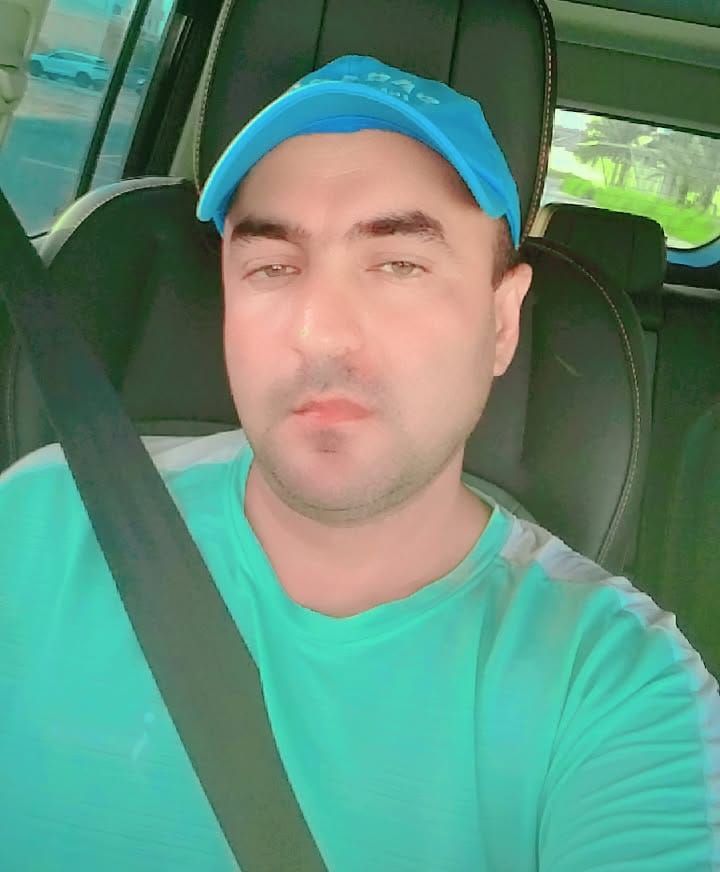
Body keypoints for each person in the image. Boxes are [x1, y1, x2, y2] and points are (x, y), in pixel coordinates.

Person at [1, 54, 718, 871]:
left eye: (398, 265)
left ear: (502, 321)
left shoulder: (615, 682)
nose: (321, 334)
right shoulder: (37, 522)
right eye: (273, 267)